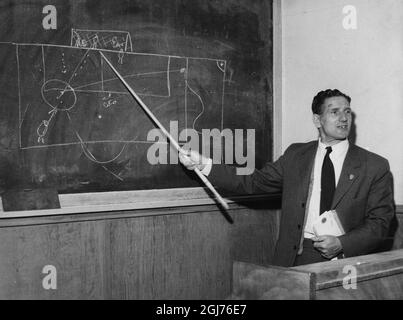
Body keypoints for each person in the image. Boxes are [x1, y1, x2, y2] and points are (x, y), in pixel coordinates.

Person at [179, 89, 395, 267]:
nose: (344, 118)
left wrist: (341, 243)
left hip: (346, 261)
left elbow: (381, 223)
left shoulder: (374, 165)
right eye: (335, 112)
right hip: (294, 258)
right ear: (317, 120)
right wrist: (203, 164)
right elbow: (253, 183)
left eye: (347, 111)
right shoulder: (296, 155)